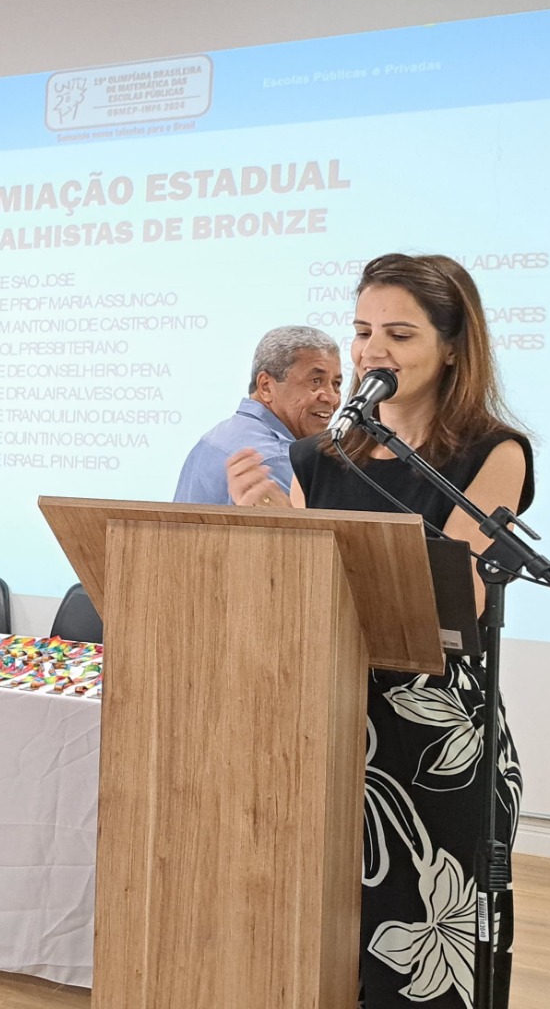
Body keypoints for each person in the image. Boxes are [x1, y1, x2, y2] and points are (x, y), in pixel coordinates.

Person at [227, 253, 531, 1009]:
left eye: (399, 333)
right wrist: (270, 538)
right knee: (324, 955)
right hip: (329, 728)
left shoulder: (492, 453)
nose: (371, 352)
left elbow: (453, 597)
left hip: (435, 738)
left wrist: (307, 540)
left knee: (424, 958)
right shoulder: (316, 456)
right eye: (363, 332)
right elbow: (299, 603)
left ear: (453, 347)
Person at [173, 325, 341, 504]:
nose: (332, 398)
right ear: (266, 386)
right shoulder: (276, 460)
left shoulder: (216, 436)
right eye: (316, 381)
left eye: (336, 384)